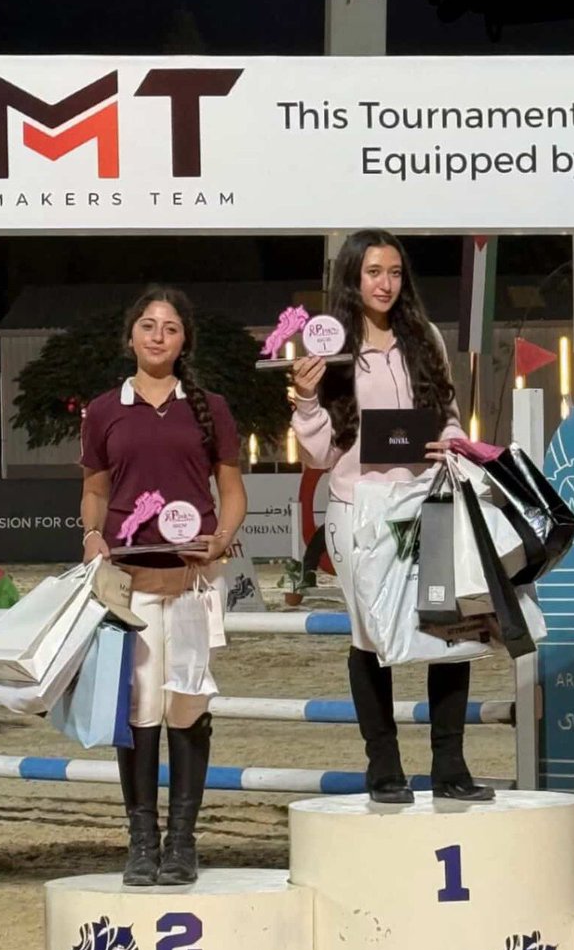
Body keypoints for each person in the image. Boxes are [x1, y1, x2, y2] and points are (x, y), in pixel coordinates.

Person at [292, 228, 494, 805]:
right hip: (359, 508)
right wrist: (306, 400)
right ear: (352, 277)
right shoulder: (329, 346)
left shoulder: (424, 336)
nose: (385, 284)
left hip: (428, 498)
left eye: (395, 272)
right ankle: (383, 766)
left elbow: (447, 411)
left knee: (449, 627)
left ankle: (450, 766)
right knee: (369, 634)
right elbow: (319, 454)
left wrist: (450, 440)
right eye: (374, 272)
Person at [80, 286, 247, 886]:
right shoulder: (104, 410)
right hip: (129, 582)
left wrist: (222, 538)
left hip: (194, 581)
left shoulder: (211, 407)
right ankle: (142, 842)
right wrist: (91, 536)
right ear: (131, 335)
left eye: (170, 327)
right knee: (140, 706)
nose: (158, 336)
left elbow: (232, 489)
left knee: (188, 704)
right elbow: (95, 490)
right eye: (148, 325)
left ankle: (182, 842)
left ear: (184, 341)